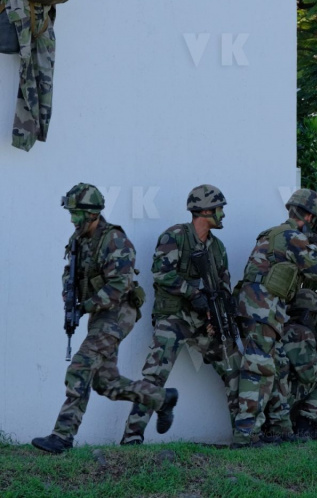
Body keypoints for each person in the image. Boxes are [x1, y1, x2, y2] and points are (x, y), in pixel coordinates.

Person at [32, 183, 177, 454]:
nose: (73, 220)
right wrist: (69, 299)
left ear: (92, 214)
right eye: (71, 214)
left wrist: (84, 305)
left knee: (80, 367)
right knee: (105, 383)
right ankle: (161, 398)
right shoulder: (79, 240)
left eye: (77, 215)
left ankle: (62, 436)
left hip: (118, 313)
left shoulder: (115, 241)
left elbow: (119, 287)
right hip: (99, 314)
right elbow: (70, 273)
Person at [120, 184, 240, 445]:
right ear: (205, 210)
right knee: (154, 377)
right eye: (219, 209)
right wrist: (194, 293)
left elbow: (222, 289)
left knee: (235, 368)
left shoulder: (218, 248)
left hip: (203, 323)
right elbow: (163, 274)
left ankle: (243, 437)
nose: (223, 214)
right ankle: (131, 439)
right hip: (173, 319)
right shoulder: (174, 236)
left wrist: (216, 319)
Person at [232, 189, 317, 448]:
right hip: (262, 310)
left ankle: (280, 427)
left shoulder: (272, 233)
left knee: (277, 367)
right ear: (309, 216)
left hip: (261, 309)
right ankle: (246, 436)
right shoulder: (292, 237)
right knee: (258, 370)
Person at [277, 288, 317, 440]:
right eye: (313, 314)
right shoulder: (301, 333)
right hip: (284, 396)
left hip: (274, 396)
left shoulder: (281, 327)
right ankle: (306, 424)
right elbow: (310, 375)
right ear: (307, 314)